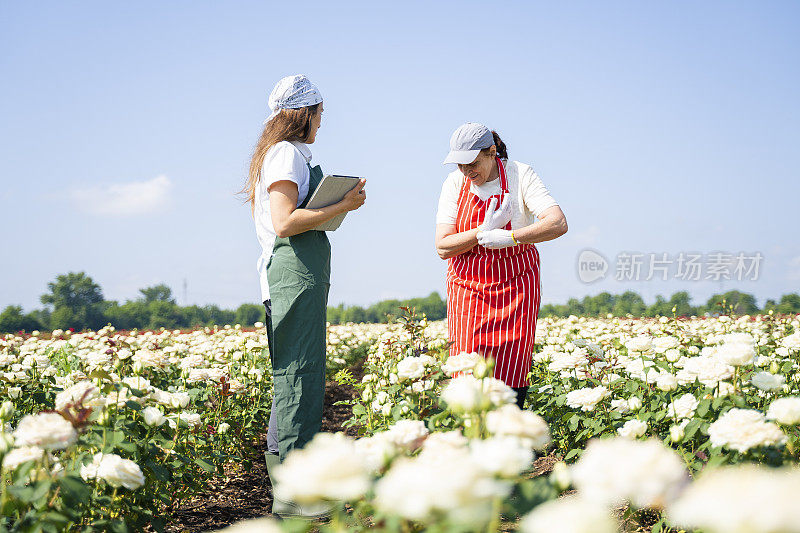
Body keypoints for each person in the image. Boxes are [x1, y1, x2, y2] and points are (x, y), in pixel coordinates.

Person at [242, 74, 366, 516]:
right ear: (304, 113)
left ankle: (291, 487)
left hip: (297, 277)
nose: (321, 122)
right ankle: (296, 495)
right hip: (290, 276)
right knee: (297, 376)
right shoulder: (286, 155)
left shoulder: (282, 154)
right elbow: (285, 222)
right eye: (319, 113)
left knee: (294, 378)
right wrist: (342, 205)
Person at [435, 122, 568, 409]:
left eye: (472, 163)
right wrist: (481, 232)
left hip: (516, 288)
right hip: (468, 289)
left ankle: (508, 438)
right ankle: (470, 442)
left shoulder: (521, 175)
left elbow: (557, 223)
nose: (467, 172)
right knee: (467, 371)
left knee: (512, 368)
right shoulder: (455, 184)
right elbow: (443, 246)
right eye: (459, 165)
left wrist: (510, 237)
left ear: (492, 152)